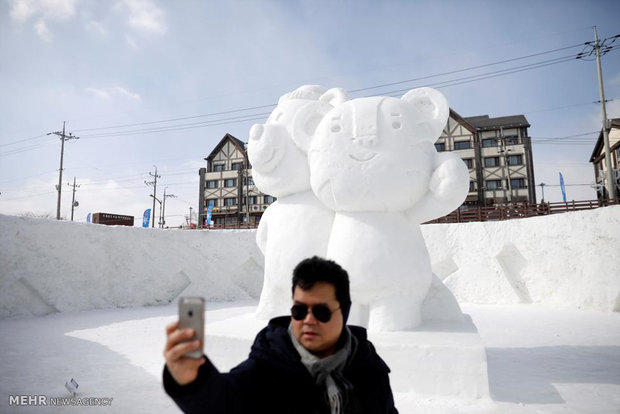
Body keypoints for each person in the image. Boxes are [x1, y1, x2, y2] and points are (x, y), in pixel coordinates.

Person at [163, 256, 398, 414]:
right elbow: (225, 401)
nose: (308, 320)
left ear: (344, 311)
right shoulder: (269, 365)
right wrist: (194, 381)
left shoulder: (368, 367)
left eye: (321, 311)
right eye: (299, 310)